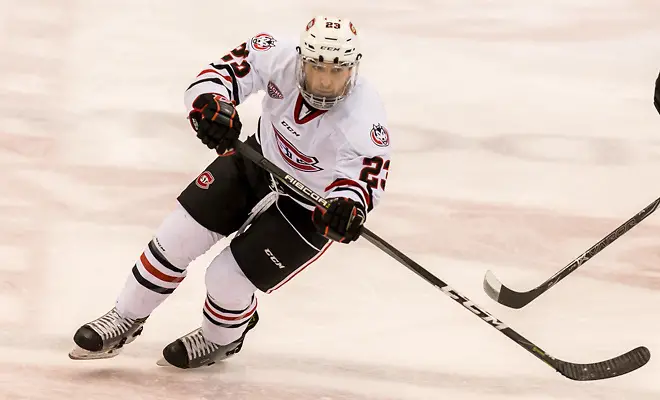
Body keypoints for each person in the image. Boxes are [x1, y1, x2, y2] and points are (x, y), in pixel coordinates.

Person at [69, 15, 392, 369]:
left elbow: (362, 180)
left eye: (338, 71)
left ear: (353, 68)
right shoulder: (274, 53)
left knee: (226, 277)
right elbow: (216, 77)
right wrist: (211, 106)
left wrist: (347, 208)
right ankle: (125, 317)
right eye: (317, 68)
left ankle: (221, 338)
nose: (326, 82)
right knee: (176, 237)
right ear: (301, 58)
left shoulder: (365, 116)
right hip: (257, 161)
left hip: (310, 205)